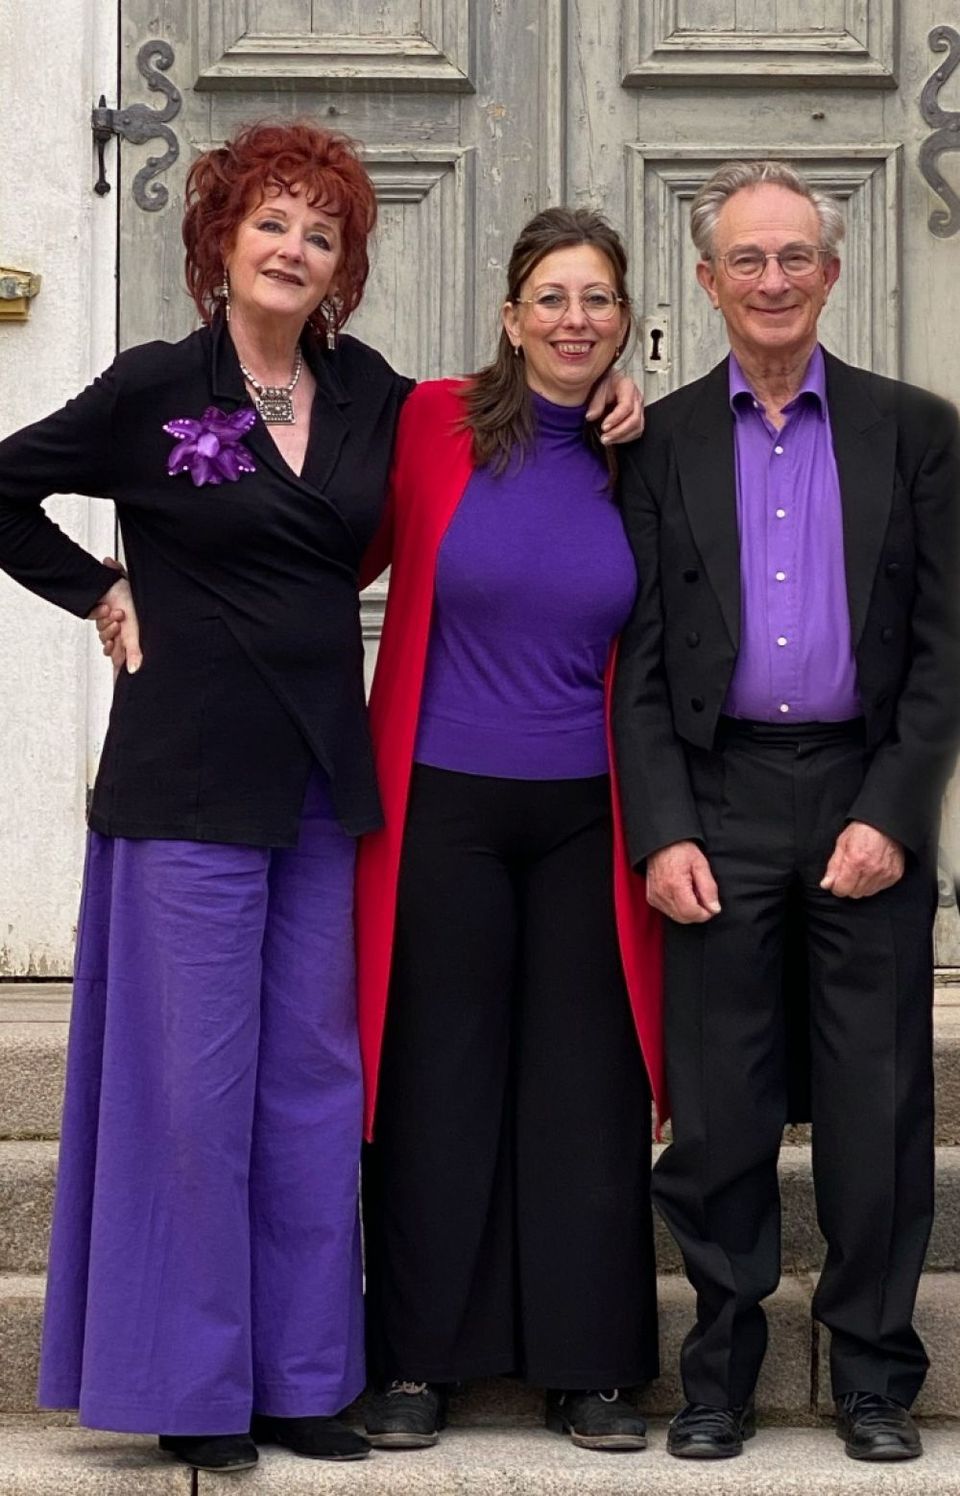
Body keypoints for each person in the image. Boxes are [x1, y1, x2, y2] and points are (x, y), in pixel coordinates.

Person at [1, 122, 644, 1474]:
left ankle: (301, 1378)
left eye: (322, 231)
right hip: (185, 784)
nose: (295, 249)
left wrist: (612, 402)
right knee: (196, 1097)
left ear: (344, 262)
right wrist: (99, 588)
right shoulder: (155, 384)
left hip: (320, 787)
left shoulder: (371, 395)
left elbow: (509, 421)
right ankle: (195, 1386)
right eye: (272, 223)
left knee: (309, 1087)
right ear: (221, 241)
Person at [612, 159, 960, 1463]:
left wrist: (895, 812)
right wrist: (663, 828)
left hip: (864, 788)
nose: (773, 279)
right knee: (717, 1111)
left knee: (879, 1103)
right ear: (708, 281)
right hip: (719, 797)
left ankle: (873, 1377)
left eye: (795, 256)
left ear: (831, 271)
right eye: (747, 260)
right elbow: (639, 662)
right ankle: (719, 1377)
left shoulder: (916, 431)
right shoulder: (657, 443)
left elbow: (945, 649)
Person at [354, 207, 664, 1456]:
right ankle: (416, 1360)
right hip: (444, 803)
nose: (575, 320)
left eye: (597, 299)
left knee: (588, 1085)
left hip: (591, 809)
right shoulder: (431, 423)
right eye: (552, 297)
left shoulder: (643, 450)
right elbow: (323, 543)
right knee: (439, 1075)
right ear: (510, 315)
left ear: (626, 319)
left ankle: (591, 1370)